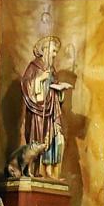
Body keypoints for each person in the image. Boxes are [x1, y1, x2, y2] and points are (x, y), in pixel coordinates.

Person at [20, 36, 72, 179]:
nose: (54, 55)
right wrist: (39, 79)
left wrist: (59, 90)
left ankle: (45, 171)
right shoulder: (34, 66)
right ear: (45, 50)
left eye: (56, 52)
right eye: (53, 51)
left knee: (51, 139)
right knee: (36, 139)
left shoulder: (52, 69)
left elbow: (53, 87)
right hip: (37, 110)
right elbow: (25, 84)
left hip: (50, 110)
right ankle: (30, 170)